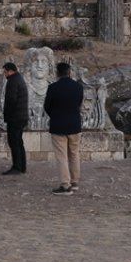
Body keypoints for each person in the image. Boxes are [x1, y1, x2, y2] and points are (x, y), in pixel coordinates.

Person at [44, 62, 83, 196]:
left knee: (62, 157)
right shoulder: (78, 87)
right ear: (69, 72)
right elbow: (79, 103)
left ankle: (65, 185)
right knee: (74, 154)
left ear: (57, 73)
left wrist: (55, 115)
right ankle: (75, 181)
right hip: (74, 125)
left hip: (58, 125)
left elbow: (47, 106)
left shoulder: (53, 88)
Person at [1, 62, 29, 175]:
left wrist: (7, 115)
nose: (4, 74)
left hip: (15, 118)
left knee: (14, 142)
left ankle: (17, 167)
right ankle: (22, 166)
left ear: (10, 71)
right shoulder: (19, 79)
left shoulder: (12, 81)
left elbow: (11, 100)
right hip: (21, 117)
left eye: (5, 72)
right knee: (19, 142)